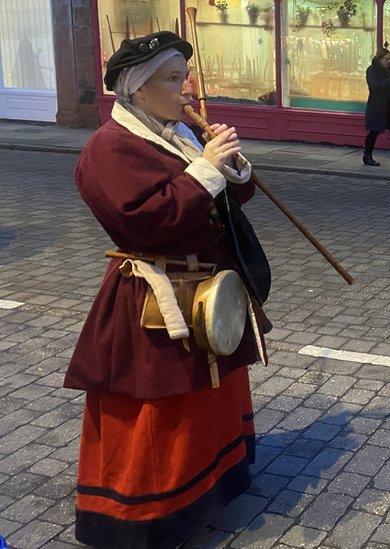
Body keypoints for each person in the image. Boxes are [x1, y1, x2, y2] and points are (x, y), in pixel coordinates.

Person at [67, 31, 270, 547]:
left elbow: (226, 199)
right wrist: (205, 169)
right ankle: (150, 511)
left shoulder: (175, 133)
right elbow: (149, 222)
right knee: (161, 404)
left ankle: (213, 479)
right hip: (152, 298)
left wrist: (232, 165)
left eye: (185, 77)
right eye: (173, 79)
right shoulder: (109, 148)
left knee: (211, 392)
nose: (187, 90)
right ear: (134, 89)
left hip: (205, 284)